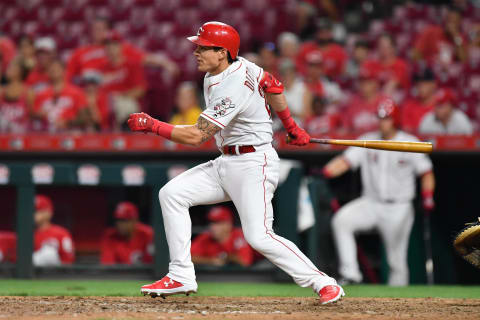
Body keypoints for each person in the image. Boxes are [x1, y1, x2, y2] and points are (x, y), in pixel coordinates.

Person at [128, 21, 344, 304]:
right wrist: (291, 127)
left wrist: (152, 125)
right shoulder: (239, 66)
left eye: (203, 48)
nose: (196, 52)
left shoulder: (232, 85)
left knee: (259, 237)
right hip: (227, 161)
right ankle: (181, 274)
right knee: (172, 194)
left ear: (222, 52)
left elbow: (196, 136)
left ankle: (323, 282)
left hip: (253, 163)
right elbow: (273, 84)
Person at [322, 98, 435, 286]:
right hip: (371, 203)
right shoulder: (368, 139)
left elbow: (426, 173)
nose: (383, 122)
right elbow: (346, 161)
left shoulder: (409, 142)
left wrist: (428, 197)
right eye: (381, 118)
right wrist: (326, 171)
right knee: (342, 221)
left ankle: (398, 303)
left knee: (395, 261)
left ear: (395, 120)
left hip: (398, 207)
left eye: (387, 118)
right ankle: (351, 275)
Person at [99, 32, 146, 128]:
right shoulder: (102, 68)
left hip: (125, 102)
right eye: (107, 45)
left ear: (121, 46)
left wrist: (120, 96)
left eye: (114, 45)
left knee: (127, 106)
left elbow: (140, 90)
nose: (110, 48)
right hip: (105, 103)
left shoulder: (131, 65)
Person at [32, 60, 88, 132]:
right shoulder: (41, 94)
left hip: (70, 134)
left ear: (64, 71)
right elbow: (34, 116)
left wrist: (67, 122)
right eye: (51, 69)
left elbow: (85, 118)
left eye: (57, 68)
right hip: (47, 135)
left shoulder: (76, 92)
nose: (54, 70)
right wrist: (39, 115)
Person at [191, 206, 257, 267]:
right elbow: (188, 257)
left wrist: (228, 258)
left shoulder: (238, 236)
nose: (213, 227)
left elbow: (245, 262)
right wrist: (211, 261)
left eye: (218, 223)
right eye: (211, 222)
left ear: (228, 224)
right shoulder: (206, 236)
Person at [33, 195, 75, 266]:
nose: (33, 214)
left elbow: (69, 259)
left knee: (49, 253)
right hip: (34, 273)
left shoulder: (61, 233)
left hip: (56, 273)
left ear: (48, 213)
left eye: (37, 211)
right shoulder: (28, 234)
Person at [401, 69, 437, 133]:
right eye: (418, 84)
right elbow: (406, 131)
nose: (420, 87)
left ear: (433, 84)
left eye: (425, 83)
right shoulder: (409, 106)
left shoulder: (440, 106)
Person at [0, 61, 29, 133]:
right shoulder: (2, 91)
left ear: (20, 72)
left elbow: (30, 114)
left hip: (20, 131)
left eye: (11, 69)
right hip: (3, 132)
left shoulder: (27, 92)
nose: (7, 71)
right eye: (8, 69)